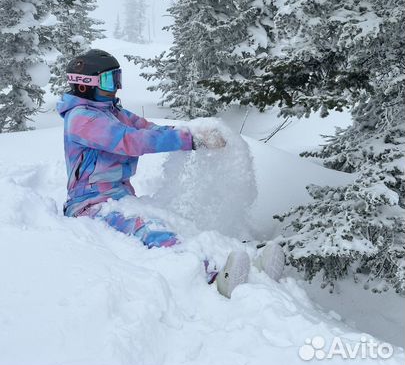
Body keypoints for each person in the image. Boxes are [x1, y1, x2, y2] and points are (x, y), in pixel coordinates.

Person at [57, 49, 285, 298]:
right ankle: (215, 276)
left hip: (119, 199)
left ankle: (250, 266)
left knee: (174, 223)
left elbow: (147, 128)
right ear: (85, 85)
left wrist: (191, 131)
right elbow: (132, 140)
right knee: (151, 231)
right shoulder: (82, 119)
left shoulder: (111, 111)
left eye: (117, 78)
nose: (116, 87)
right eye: (110, 80)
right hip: (89, 206)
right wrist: (188, 140)